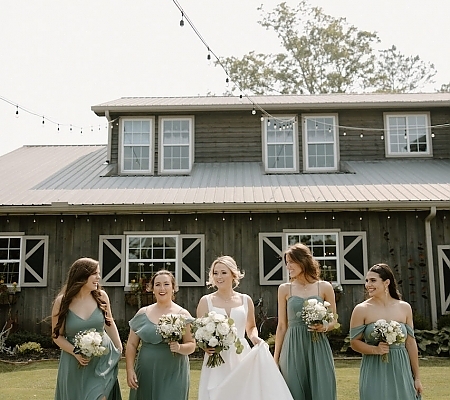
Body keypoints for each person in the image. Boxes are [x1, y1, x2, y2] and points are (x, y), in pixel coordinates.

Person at [350, 263, 423, 400]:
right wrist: (375, 350)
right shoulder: (361, 309)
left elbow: (410, 343)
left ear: (386, 283)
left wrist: (417, 377)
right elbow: (354, 342)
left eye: (373, 280)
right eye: (366, 281)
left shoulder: (404, 308)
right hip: (374, 368)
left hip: (400, 367)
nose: (368, 285)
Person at [52, 257, 122, 400]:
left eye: (99, 273)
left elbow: (109, 323)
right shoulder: (62, 301)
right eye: (95, 273)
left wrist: (119, 348)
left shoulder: (101, 297)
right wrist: (76, 352)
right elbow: (57, 336)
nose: (99, 277)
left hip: (102, 360)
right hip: (74, 360)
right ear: (82, 276)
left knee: (99, 396)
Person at [274, 243, 337, 400]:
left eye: (291, 262)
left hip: (317, 345)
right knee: (293, 390)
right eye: (286, 262)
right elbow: (282, 325)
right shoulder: (284, 289)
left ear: (303, 261)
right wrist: (275, 359)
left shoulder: (324, 287)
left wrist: (324, 327)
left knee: (322, 388)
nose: (288, 266)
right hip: (293, 346)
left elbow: (334, 320)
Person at [197, 255, 263, 400]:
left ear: (233, 274)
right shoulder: (206, 301)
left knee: (242, 393)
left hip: (241, 354)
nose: (219, 277)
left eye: (223, 272)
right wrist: (204, 346)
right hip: (216, 355)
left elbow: (251, 327)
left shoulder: (246, 300)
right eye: (215, 273)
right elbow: (199, 331)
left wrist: (254, 337)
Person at [126, 270, 196, 400]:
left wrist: (179, 348)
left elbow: (192, 345)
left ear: (173, 288)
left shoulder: (183, 314)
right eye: (157, 284)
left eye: (166, 284)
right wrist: (130, 370)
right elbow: (131, 344)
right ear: (152, 289)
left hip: (174, 372)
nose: (162, 288)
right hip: (146, 371)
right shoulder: (142, 313)